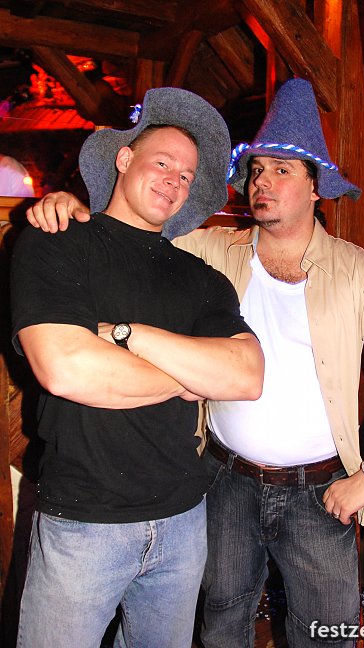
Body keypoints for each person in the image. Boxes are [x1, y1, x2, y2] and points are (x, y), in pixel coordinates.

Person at [26, 79, 364, 648]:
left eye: (282, 170)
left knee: (327, 636)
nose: (262, 181)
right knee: (220, 626)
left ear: (317, 187)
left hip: (321, 491)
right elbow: (132, 230)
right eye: (257, 169)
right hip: (223, 483)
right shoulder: (211, 251)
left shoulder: (358, 272)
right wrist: (71, 205)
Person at [10, 87, 264, 648]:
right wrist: (191, 376)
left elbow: (246, 376)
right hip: (83, 523)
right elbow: (66, 369)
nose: (175, 181)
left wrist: (129, 337)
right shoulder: (56, 242)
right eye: (163, 163)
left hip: (183, 521)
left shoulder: (202, 278)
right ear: (124, 159)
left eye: (187, 175)